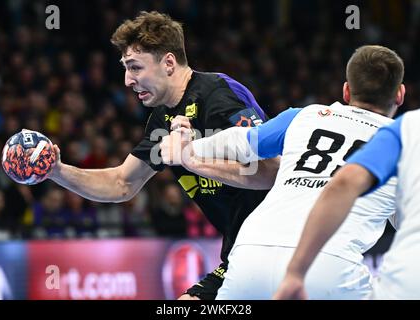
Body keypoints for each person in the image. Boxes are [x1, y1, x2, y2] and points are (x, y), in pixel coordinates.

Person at [48, 11, 278, 300]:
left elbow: (272, 172)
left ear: (168, 63)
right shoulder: (162, 119)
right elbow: (121, 184)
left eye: (135, 68)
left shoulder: (220, 96)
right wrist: (56, 171)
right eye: (125, 68)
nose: (127, 81)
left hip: (279, 241)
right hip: (242, 250)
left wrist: (191, 158)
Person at [161, 45, 404, 299]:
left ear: (346, 90)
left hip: (251, 252)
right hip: (329, 263)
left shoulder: (305, 115)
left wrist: (188, 150)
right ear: (399, 94)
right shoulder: (405, 141)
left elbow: (243, 142)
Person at [274, 107, 420, 300]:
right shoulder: (403, 130)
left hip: (257, 248)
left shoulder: (408, 126)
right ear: (400, 95)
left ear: (346, 90)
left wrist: (296, 272)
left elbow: (343, 183)